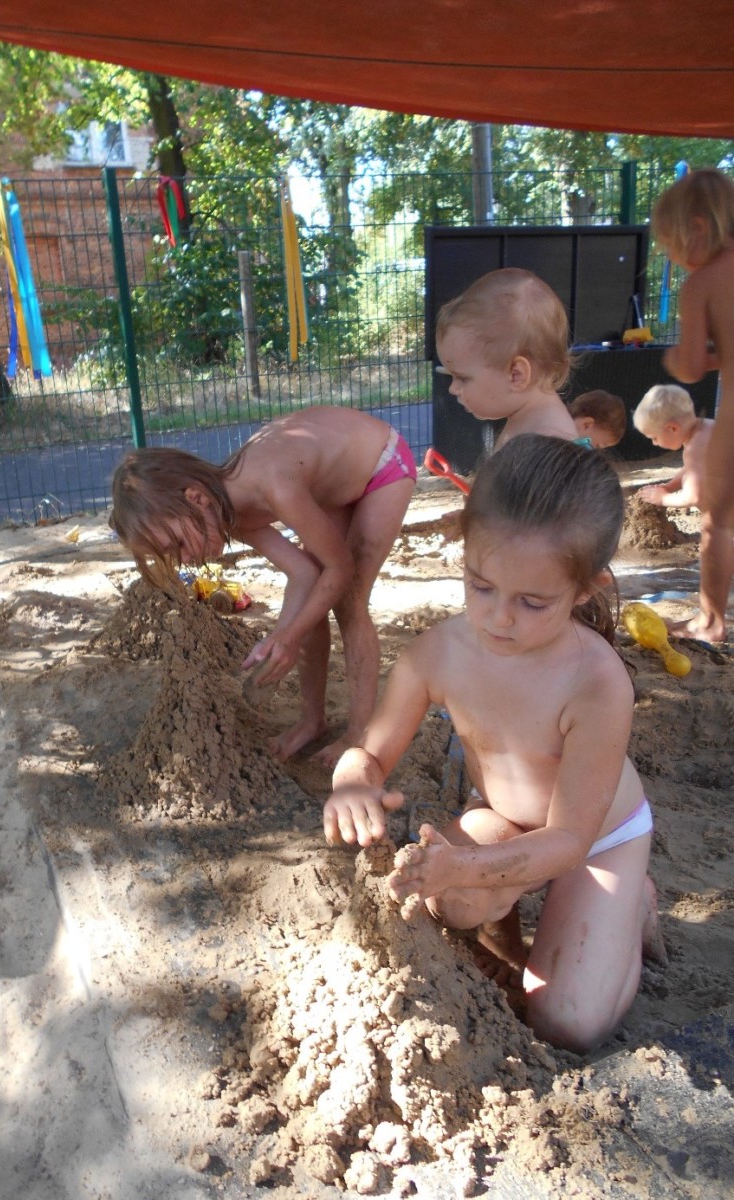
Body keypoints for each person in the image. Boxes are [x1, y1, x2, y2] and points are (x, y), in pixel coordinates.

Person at [323, 435, 664, 1054]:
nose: (499, 618)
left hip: (596, 839)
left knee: (567, 1023)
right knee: (450, 897)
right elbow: (371, 751)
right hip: (508, 819)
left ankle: (631, 903)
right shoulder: (440, 651)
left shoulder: (596, 681)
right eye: (480, 586)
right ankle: (508, 926)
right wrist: (352, 778)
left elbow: (568, 840)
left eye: (532, 602)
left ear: (584, 588)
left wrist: (469, 864)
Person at [109, 406, 416, 764]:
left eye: (177, 545)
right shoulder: (230, 513)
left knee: (347, 600)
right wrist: (280, 637)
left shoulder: (273, 485)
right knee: (313, 604)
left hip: (381, 464)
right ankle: (311, 721)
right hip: (333, 486)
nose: (187, 560)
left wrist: (290, 635)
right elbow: (303, 574)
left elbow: (339, 568)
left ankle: (359, 736)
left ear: (195, 498)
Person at [650, 167, 734, 642]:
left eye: (670, 244)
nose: (672, 257)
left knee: (717, 522)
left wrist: (672, 357)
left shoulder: (703, 283)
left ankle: (711, 621)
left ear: (698, 227)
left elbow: (690, 368)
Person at [435, 268, 579, 451]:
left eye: (462, 378)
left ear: (516, 374)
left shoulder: (549, 447)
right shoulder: (527, 421)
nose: (453, 389)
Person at [633, 384, 714, 509]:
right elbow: (692, 468)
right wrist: (668, 487)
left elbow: (694, 496)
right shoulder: (706, 427)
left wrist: (663, 498)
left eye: (654, 438)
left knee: (694, 484)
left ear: (673, 428)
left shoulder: (694, 449)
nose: (654, 443)